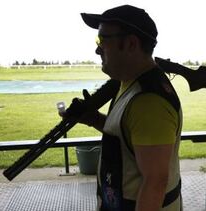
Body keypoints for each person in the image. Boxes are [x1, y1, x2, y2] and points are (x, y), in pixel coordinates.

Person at [76, 5, 183, 210]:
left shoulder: (149, 103)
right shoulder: (130, 83)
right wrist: (94, 119)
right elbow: (127, 136)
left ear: (131, 43)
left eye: (103, 40)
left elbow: (155, 182)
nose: (97, 49)